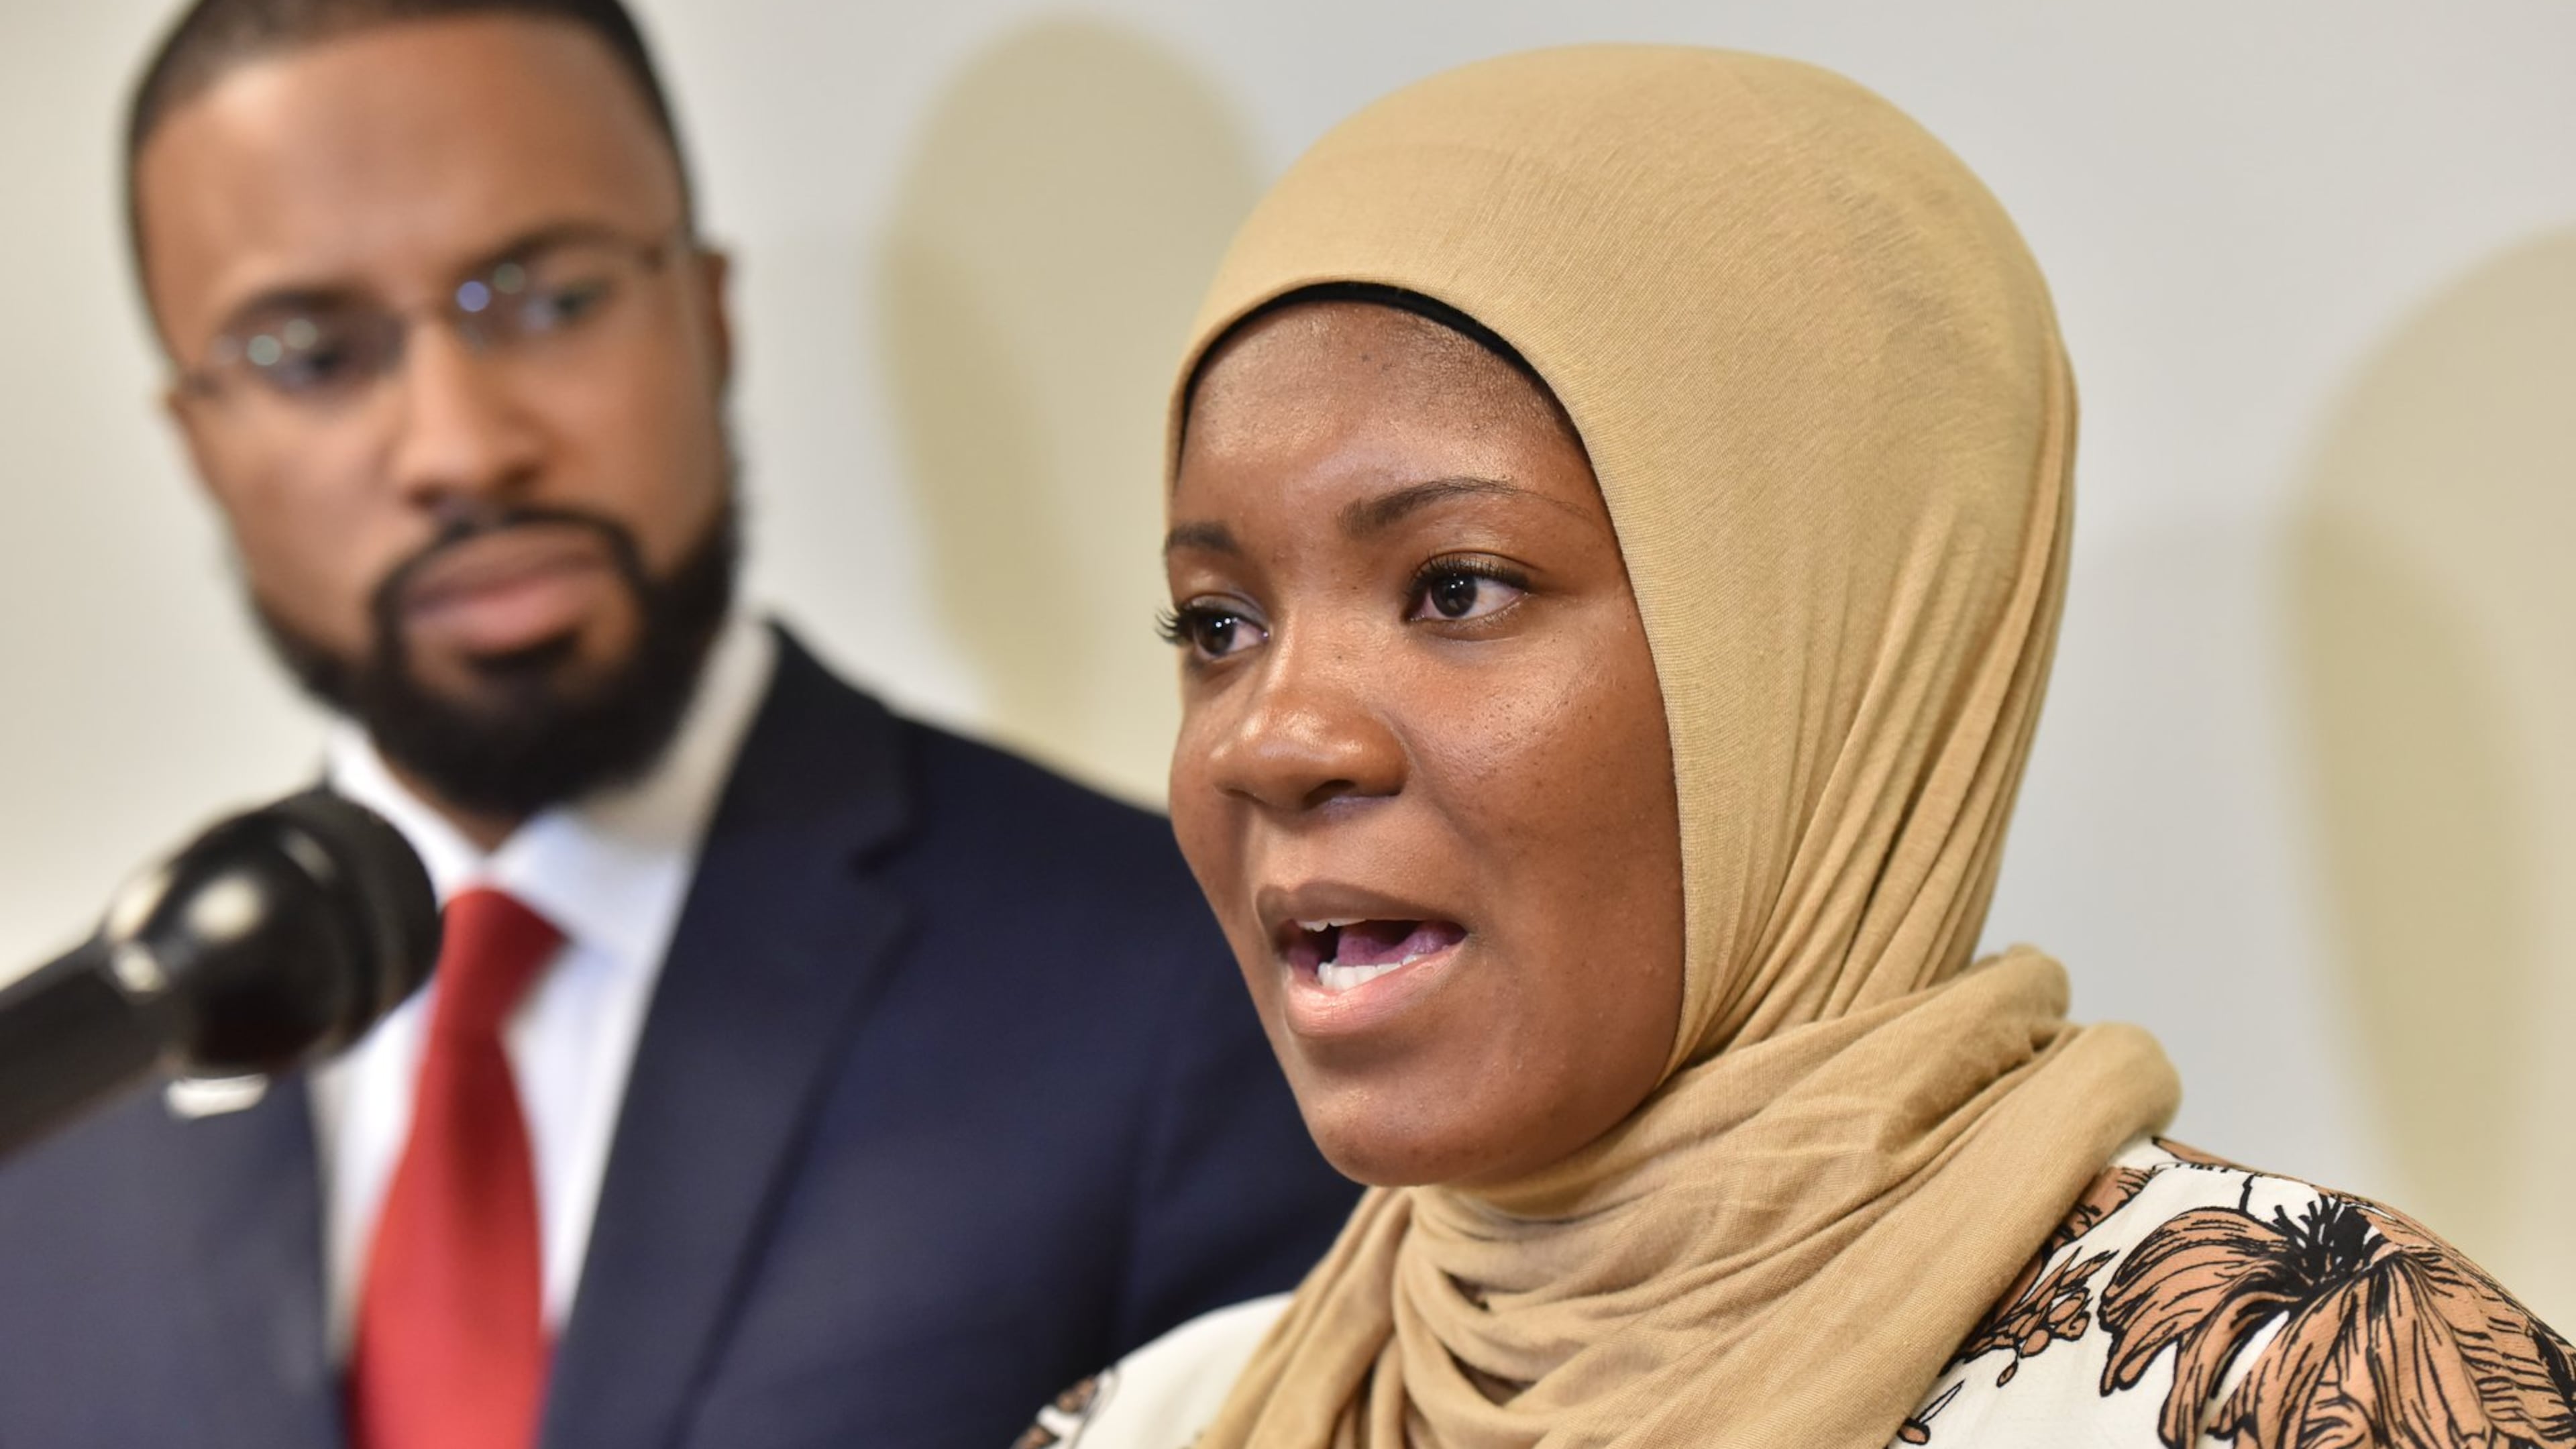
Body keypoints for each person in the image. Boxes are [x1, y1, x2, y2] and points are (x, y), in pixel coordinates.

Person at [1018, 45, 2576, 1449]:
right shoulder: (1152, 1422)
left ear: (1827, 660)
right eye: (1217, 624)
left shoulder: (2322, 1394)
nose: (1272, 738)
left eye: (1458, 589)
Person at [0, 3, 1357, 1447]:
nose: (463, 448)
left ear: (708, 316)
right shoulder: (64, 1109)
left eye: (548, 300)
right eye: (312, 355)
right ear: (198, 442)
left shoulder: (1189, 989)